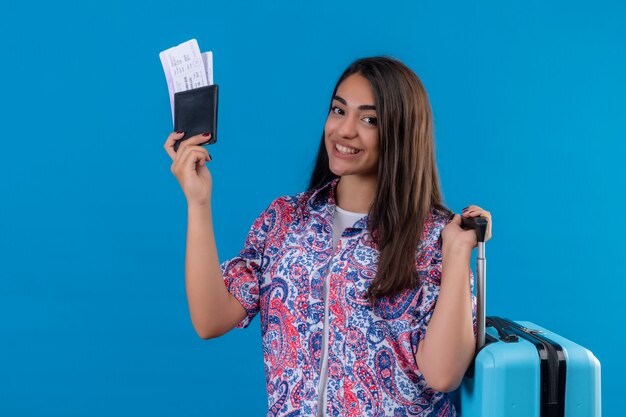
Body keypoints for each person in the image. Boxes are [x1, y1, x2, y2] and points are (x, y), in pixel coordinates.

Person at [163, 56, 493, 417]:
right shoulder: (286, 220)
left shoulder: (432, 238)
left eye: (369, 119)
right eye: (339, 110)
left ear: (401, 133)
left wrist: (459, 254)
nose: (345, 130)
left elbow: (443, 376)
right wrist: (198, 202)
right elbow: (210, 319)